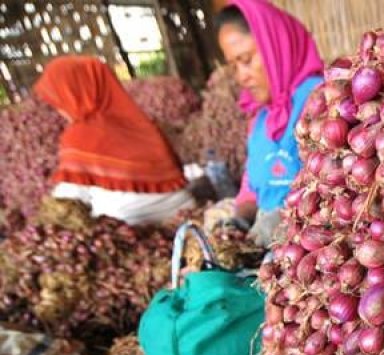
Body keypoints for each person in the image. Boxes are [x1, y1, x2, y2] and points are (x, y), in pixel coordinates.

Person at [33, 56, 195, 226]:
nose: (59, 109)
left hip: (132, 226)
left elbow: (68, 200)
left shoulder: (80, 136)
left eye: (58, 100)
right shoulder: (143, 124)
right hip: (184, 214)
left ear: (73, 94)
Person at [213, 0, 323, 244]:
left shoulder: (321, 99)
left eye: (247, 59)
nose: (242, 76)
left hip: (314, 251)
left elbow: (339, 185)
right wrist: (239, 220)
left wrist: (286, 219)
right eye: (234, 66)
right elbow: (251, 187)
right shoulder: (260, 117)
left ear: (276, 46)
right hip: (270, 252)